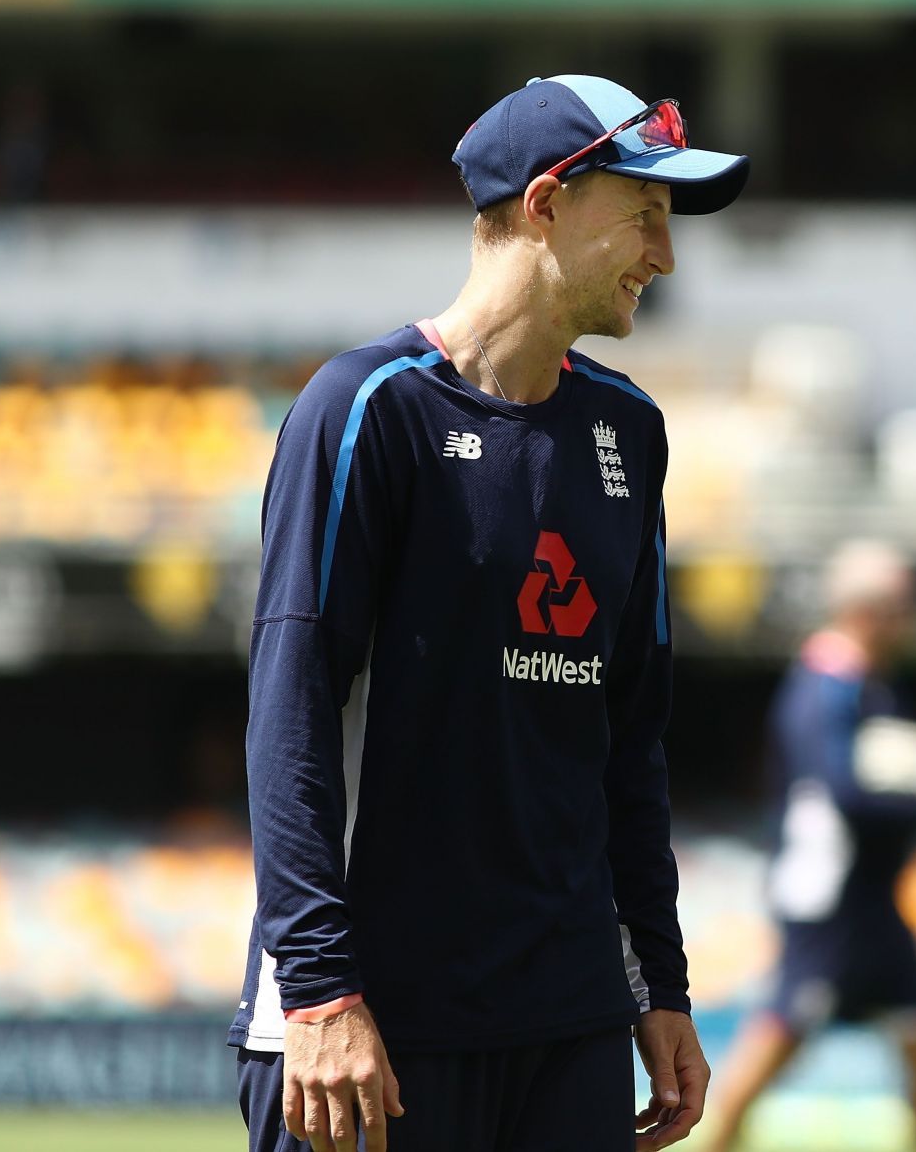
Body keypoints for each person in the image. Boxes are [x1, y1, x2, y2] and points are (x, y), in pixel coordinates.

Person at [229, 74, 750, 1152]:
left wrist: (659, 979)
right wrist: (321, 993)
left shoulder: (630, 433)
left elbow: (629, 740)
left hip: (569, 1023)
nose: (666, 253)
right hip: (370, 1021)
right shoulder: (365, 409)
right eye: (645, 213)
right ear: (547, 201)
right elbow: (293, 718)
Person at [703, 541, 916, 1152]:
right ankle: (710, 1140)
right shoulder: (824, 688)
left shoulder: (872, 685)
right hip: (829, 899)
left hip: (871, 897)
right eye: (902, 607)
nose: (911, 621)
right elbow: (840, 792)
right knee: (779, 1035)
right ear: (868, 611)